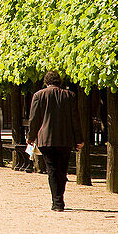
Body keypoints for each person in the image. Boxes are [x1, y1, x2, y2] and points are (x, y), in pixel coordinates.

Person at [27, 71, 83, 211]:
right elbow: (75, 119)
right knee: (62, 170)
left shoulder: (38, 95)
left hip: (46, 140)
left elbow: (34, 119)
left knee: (52, 170)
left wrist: (30, 137)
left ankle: (57, 202)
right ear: (60, 82)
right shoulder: (69, 95)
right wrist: (79, 139)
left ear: (46, 82)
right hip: (65, 139)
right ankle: (59, 199)